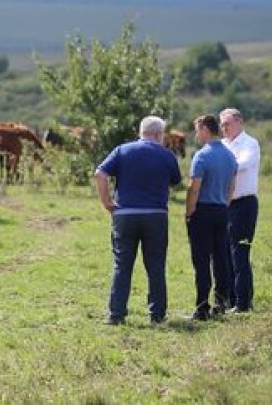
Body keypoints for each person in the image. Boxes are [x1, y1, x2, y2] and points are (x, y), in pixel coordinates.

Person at [94, 116, 182, 325]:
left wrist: (107, 202)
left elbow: (100, 174)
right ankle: (157, 315)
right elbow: (175, 182)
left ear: (140, 132)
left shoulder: (122, 150)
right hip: (156, 216)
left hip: (125, 215)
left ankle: (116, 315)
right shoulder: (166, 155)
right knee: (156, 266)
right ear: (160, 134)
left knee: (122, 265)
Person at [185, 114, 238, 320]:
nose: (196, 135)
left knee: (201, 259)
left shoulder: (202, 155)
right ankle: (221, 302)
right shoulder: (230, 156)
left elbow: (194, 188)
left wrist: (189, 212)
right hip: (222, 210)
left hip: (203, 211)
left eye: (197, 130)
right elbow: (232, 186)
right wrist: (225, 203)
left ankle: (201, 306)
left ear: (206, 130)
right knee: (221, 258)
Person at [220, 108, 260, 313]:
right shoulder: (223, 144)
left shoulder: (249, 144)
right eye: (222, 125)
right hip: (225, 204)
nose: (224, 128)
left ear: (239, 122)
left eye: (227, 124)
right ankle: (230, 300)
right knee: (225, 252)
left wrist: (219, 165)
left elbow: (243, 165)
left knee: (239, 253)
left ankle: (244, 303)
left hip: (243, 203)